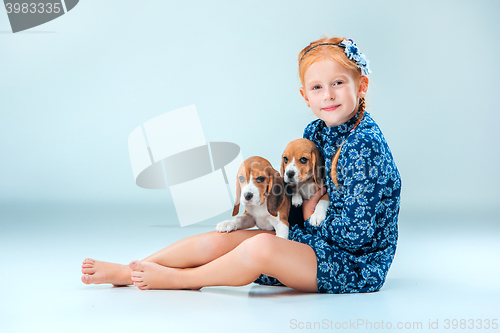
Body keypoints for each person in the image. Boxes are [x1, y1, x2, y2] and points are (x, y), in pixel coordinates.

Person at [81, 36, 401, 294]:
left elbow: (355, 236)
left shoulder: (364, 147)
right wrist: (267, 207)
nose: (328, 95)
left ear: (361, 87)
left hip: (352, 262)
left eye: (339, 83)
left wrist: (305, 214)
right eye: (318, 87)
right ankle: (130, 270)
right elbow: (294, 191)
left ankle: (180, 280)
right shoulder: (314, 132)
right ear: (306, 96)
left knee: (261, 248)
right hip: (307, 239)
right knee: (223, 239)